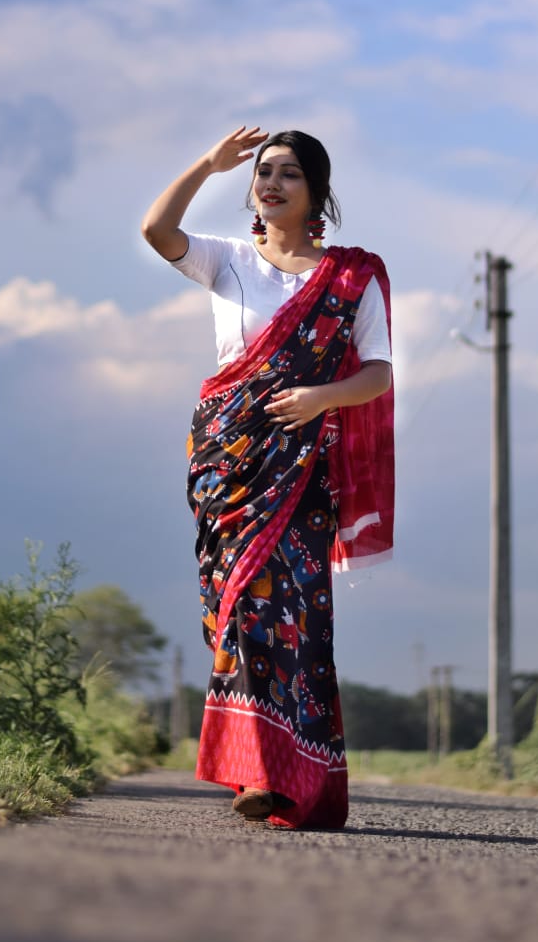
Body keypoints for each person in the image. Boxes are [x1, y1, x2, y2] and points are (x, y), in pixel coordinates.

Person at [141, 126, 395, 829]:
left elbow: (377, 371)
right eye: (262, 173)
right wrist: (207, 164)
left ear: (317, 191)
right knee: (231, 609)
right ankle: (252, 766)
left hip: (301, 468)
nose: (271, 184)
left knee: (290, 614)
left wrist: (320, 398)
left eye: (288, 173)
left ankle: (271, 776)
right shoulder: (227, 261)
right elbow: (156, 229)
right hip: (226, 462)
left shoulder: (351, 276)